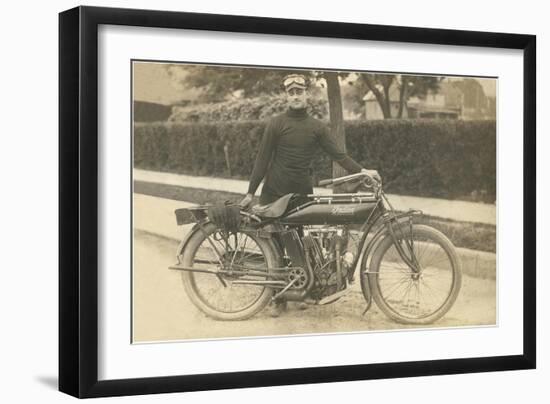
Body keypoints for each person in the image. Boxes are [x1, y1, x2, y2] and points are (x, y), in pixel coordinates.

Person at [239, 73, 380, 317]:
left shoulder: (316, 127)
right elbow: (262, 160)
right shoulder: (276, 124)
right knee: (274, 244)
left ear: (306, 94)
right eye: (291, 92)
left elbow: (339, 155)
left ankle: (299, 290)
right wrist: (251, 192)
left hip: (302, 194)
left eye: (299, 92)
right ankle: (276, 298)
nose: (295, 96)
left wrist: (362, 171)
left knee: (299, 244)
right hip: (273, 192)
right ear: (287, 96)